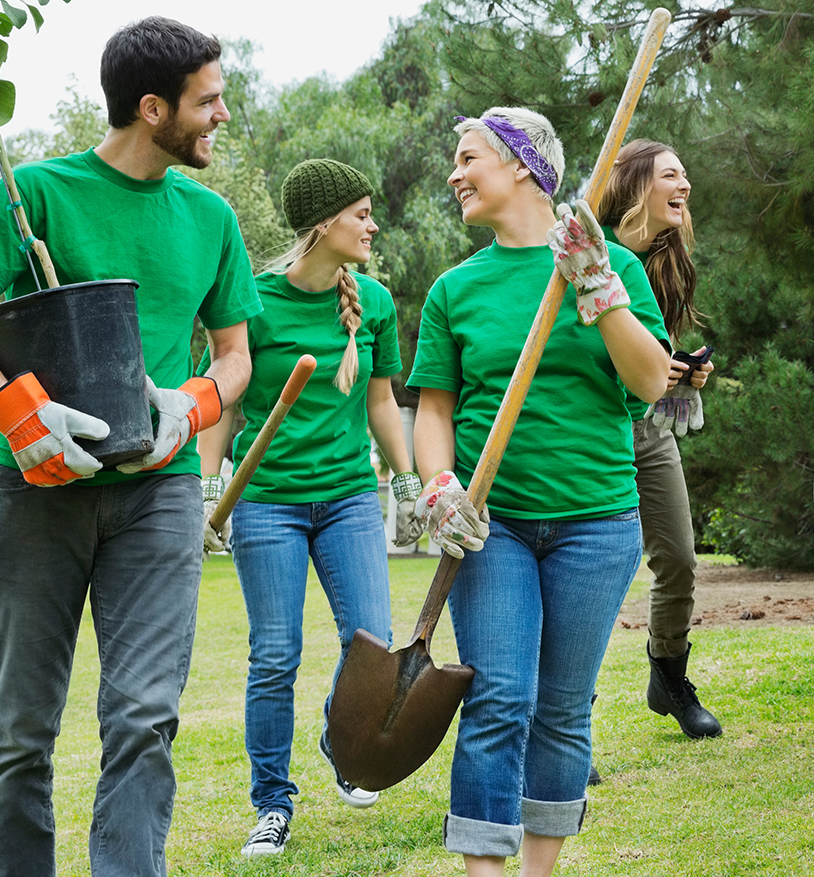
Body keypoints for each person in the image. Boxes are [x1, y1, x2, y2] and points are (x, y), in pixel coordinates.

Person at [0, 17, 261, 877]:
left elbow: (234, 356)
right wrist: (23, 418)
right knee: (21, 729)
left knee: (144, 717)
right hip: (36, 493)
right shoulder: (33, 195)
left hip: (162, 495)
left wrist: (190, 406)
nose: (223, 115)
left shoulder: (210, 217)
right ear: (153, 109)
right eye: (208, 100)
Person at [408, 107, 669, 875]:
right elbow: (434, 409)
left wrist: (598, 288)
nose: (454, 173)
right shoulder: (456, 290)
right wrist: (438, 484)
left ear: (522, 165)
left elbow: (651, 381)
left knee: (560, 709)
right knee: (498, 701)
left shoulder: (605, 259)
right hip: (495, 530)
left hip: (597, 523)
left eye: (468, 157)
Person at [196, 159, 423, 857]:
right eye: (361, 213)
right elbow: (224, 404)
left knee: (370, 642)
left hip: (351, 496)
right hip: (268, 503)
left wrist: (407, 483)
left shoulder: (374, 304)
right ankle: (272, 804)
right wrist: (208, 490)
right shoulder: (253, 302)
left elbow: (382, 401)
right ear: (323, 224)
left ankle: (335, 733)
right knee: (275, 655)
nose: (373, 225)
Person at [594, 139, 721, 739]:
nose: (686, 185)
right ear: (636, 182)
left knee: (678, 558)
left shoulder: (668, 261)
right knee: (591, 572)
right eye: (672, 174)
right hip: (595, 429)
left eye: (686, 174)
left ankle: (668, 674)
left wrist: (686, 373)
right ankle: (568, 719)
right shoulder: (588, 254)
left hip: (648, 431)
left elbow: (656, 353)